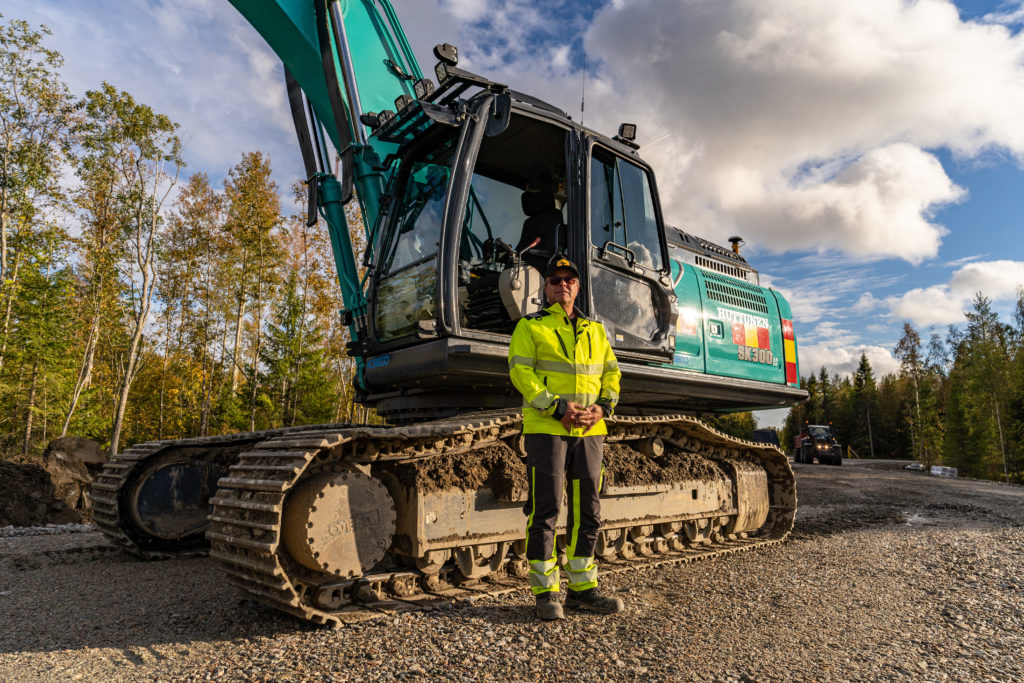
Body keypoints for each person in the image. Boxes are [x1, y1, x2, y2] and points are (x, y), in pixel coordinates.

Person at [507, 257, 624, 621]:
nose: (562, 284)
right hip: (548, 428)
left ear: (577, 286)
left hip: (590, 431)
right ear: (546, 289)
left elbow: (611, 374)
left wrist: (602, 408)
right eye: (555, 280)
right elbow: (520, 371)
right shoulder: (531, 326)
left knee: (587, 510)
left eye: (569, 279)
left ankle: (583, 589)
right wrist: (555, 406)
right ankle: (545, 593)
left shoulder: (596, 330)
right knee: (546, 509)